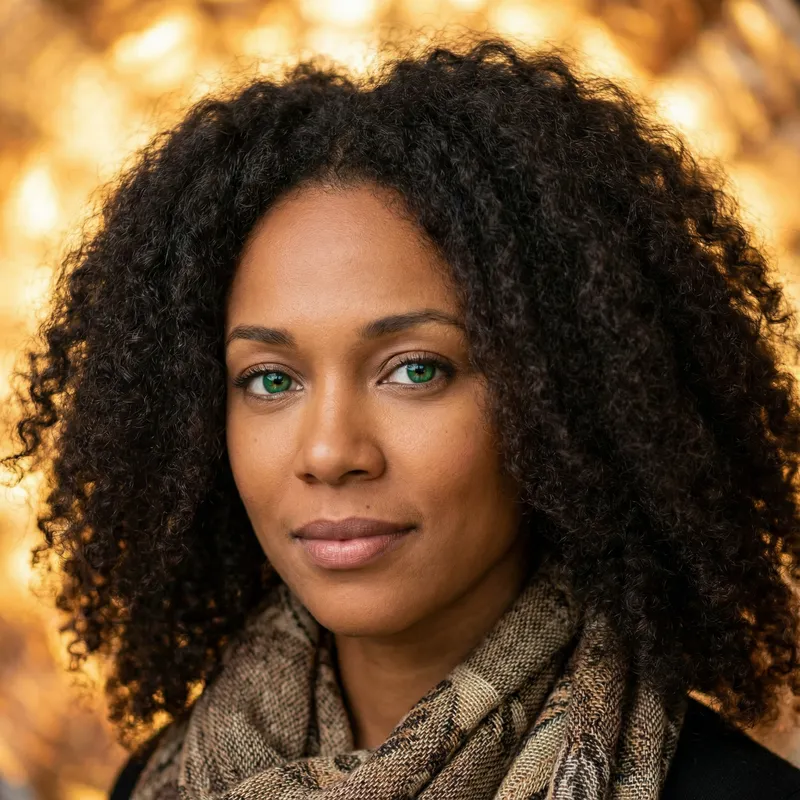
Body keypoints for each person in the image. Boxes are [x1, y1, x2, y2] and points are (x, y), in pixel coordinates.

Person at [4, 34, 800, 800]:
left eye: (416, 370)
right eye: (271, 380)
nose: (329, 451)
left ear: (560, 396)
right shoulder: (155, 784)